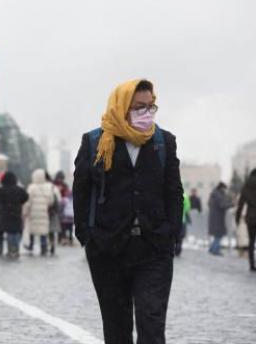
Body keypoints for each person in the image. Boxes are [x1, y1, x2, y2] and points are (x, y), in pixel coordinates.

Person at [73, 79, 183, 344]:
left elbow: (173, 192)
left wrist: (170, 233)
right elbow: (81, 191)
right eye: (138, 107)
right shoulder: (94, 143)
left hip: (153, 248)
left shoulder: (163, 142)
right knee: (117, 329)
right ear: (121, 107)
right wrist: (88, 236)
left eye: (151, 107)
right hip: (108, 249)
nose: (146, 113)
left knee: (152, 324)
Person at [0, 171, 29, 259]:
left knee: (10, 233)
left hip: (6, 214)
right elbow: (26, 196)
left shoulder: (1, 190)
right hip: (16, 213)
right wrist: (19, 202)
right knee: (16, 232)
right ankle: (16, 249)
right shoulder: (19, 190)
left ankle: (11, 249)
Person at [24, 169, 56, 256]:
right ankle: (44, 247)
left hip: (33, 213)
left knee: (32, 230)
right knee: (43, 231)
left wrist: (25, 211)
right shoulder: (48, 187)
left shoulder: (31, 187)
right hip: (43, 213)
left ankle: (31, 245)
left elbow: (28, 201)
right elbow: (51, 201)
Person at [235, 169, 256, 271]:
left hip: (251, 218)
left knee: (251, 242)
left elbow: (240, 205)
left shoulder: (246, 187)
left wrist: (237, 219)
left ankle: (252, 265)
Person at [208, 182, 230, 256]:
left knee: (217, 234)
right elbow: (222, 205)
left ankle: (212, 248)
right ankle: (215, 250)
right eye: (224, 188)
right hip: (218, 218)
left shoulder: (214, 194)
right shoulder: (218, 195)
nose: (225, 190)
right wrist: (232, 204)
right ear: (221, 188)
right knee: (218, 234)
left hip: (214, 217)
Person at [174, 192, 191, 256]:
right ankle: (178, 251)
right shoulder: (185, 196)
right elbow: (188, 207)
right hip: (181, 220)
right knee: (180, 237)